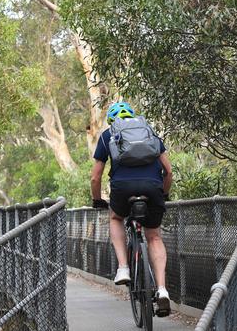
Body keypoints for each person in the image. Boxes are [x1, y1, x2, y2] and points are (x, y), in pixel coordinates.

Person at [90, 101, 173, 317]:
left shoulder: (108, 135)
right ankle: (162, 290)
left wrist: (97, 199)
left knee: (116, 218)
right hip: (153, 187)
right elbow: (169, 171)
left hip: (122, 188)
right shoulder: (150, 132)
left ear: (112, 120)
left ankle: (123, 268)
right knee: (153, 236)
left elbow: (95, 176)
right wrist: (163, 194)